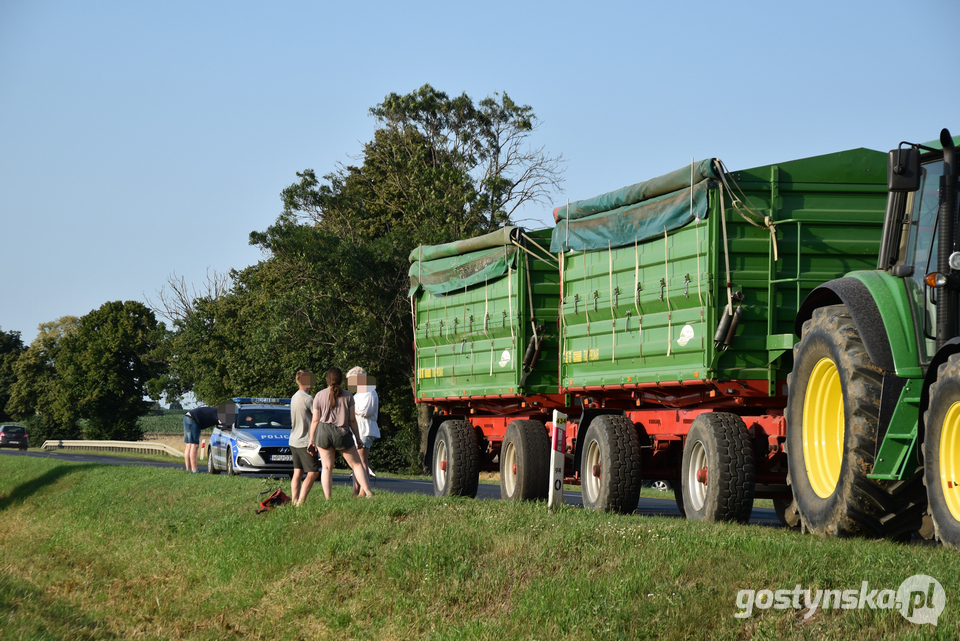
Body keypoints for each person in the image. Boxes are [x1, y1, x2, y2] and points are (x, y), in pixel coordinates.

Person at [308, 367, 374, 499]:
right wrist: (358, 437)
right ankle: (369, 493)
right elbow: (352, 420)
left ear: (327, 379)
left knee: (327, 468)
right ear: (341, 380)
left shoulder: (319, 395)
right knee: (356, 464)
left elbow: (315, 420)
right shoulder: (348, 395)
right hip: (342, 433)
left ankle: (328, 498)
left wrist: (311, 440)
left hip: (323, 432)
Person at [289, 369, 318, 506]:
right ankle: (301, 502)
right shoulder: (308, 399)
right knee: (313, 472)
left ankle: (294, 501)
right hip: (304, 440)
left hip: (293, 440)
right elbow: (317, 419)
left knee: (298, 472)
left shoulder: (294, 396)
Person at [347, 366, 380, 478]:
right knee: (358, 461)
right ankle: (357, 490)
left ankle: (363, 490)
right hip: (359, 428)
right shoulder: (358, 394)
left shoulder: (369, 392)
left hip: (365, 428)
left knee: (361, 460)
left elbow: (365, 411)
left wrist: (351, 410)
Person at [183, 406, 219, 472]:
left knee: (188, 445)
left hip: (187, 417)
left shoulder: (216, 411)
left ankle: (188, 469)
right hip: (194, 420)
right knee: (194, 445)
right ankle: (194, 469)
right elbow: (222, 423)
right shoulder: (220, 413)